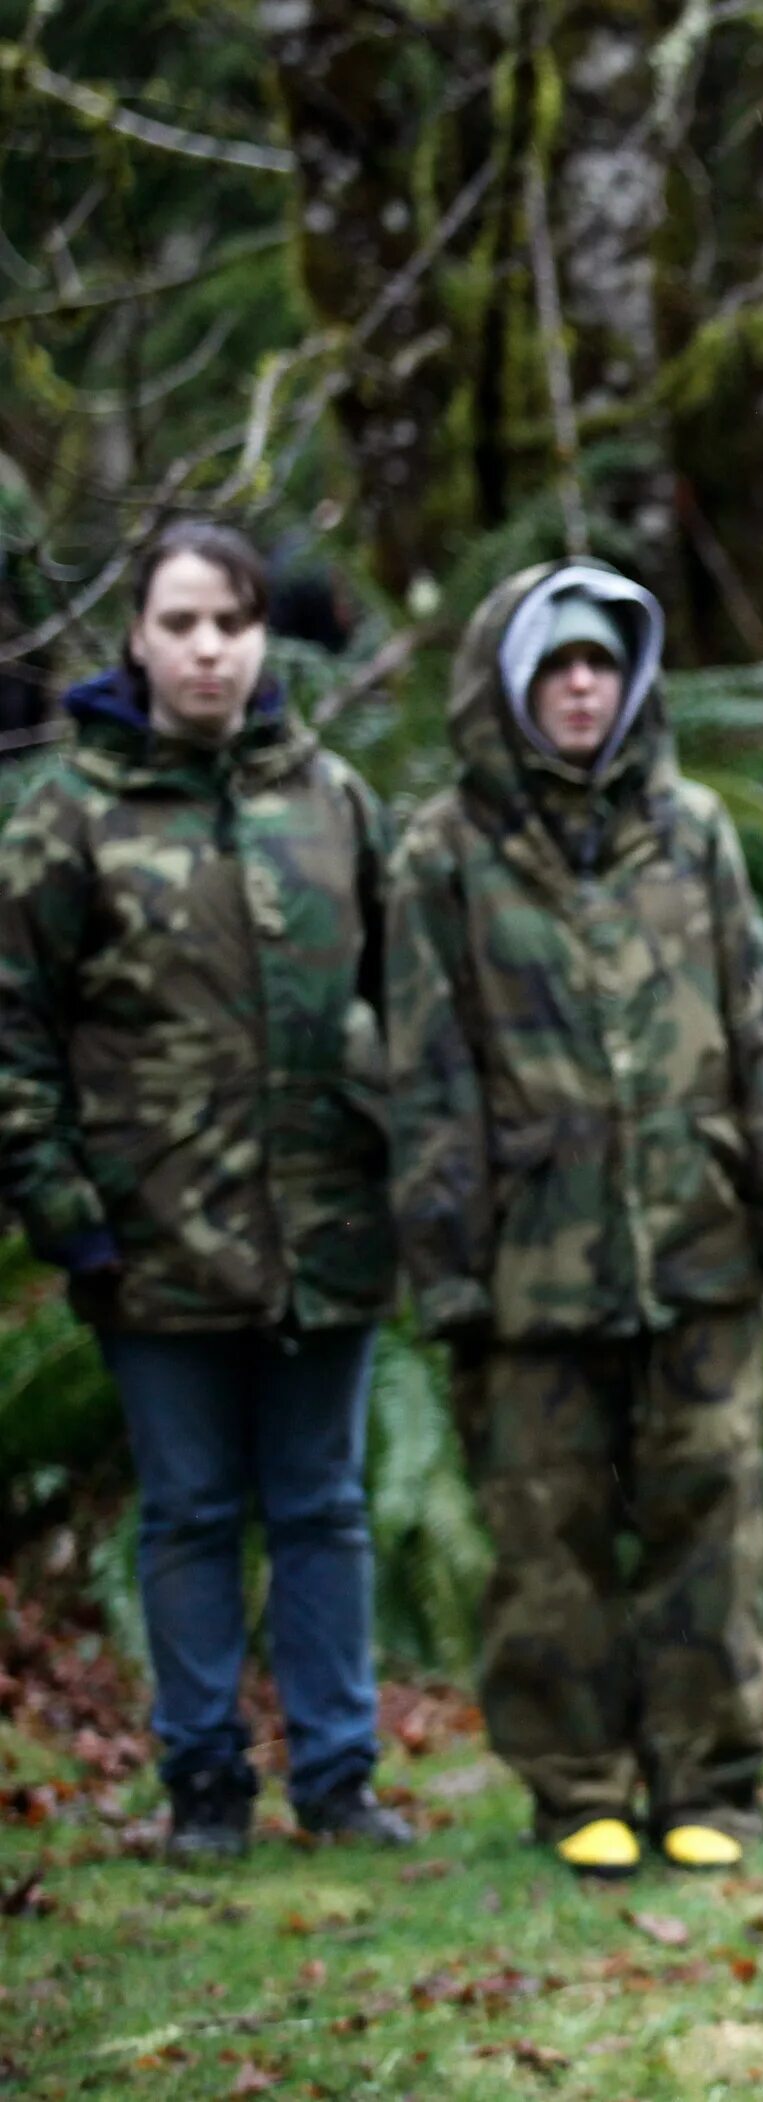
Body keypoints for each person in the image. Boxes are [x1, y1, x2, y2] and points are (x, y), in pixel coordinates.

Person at [386, 561, 763, 1880]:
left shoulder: (692, 829)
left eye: (599, 662)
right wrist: (448, 1260)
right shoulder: (444, 853)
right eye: (553, 664)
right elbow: (426, 1069)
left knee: (710, 1517)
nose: (580, 685)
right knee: (547, 1528)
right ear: (508, 683)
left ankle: (712, 1781)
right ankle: (574, 1783)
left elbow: (762, 1029)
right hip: (533, 1256)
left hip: (699, 1243)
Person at [0, 521, 409, 1859]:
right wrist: (65, 1206)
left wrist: (408, 1155)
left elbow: (408, 1001)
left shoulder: (332, 799)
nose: (208, 649)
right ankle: (205, 1788)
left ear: (261, 637)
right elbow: (13, 1022)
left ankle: (340, 1779)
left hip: (326, 1233)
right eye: (180, 623)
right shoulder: (69, 810)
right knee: (186, 1510)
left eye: (229, 622)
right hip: (153, 1238)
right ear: (137, 638)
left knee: (323, 1503)